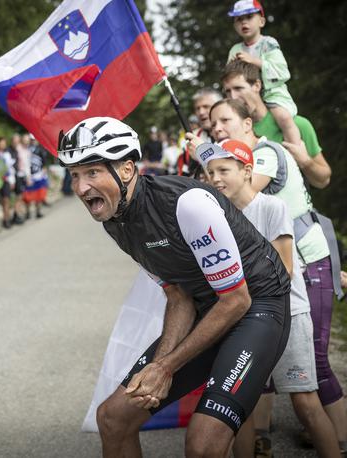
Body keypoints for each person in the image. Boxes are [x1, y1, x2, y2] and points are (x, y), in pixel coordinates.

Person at [58, 116, 291, 457]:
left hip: (257, 308)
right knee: (113, 419)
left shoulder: (187, 205)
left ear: (125, 170)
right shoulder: (116, 220)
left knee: (202, 444)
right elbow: (177, 294)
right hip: (209, 307)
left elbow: (236, 301)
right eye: (74, 175)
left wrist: (165, 367)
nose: (80, 188)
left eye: (92, 172)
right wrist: (159, 366)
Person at [205, 98, 347, 455]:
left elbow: (283, 270)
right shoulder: (218, 216)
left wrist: (234, 286)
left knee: (304, 401)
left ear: (247, 171)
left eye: (225, 170)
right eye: (211, 173)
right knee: (242, 407)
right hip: (248, 316)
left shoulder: (272, 207)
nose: (216, 179)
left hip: (288, 314)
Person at [222, 59, 332, 189]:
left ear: (257, 85)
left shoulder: (296, 124)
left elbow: (323, 180)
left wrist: (305, 161)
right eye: (228, 91)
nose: (233, 97)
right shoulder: (230, 133)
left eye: (238, 88)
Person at [226, 0, 301, 146]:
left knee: (283, 116)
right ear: (234, 25)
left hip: (272, 93)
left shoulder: (269, 43)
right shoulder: (235, 49)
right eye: (239, 20)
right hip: (245, 96)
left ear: (261, 21)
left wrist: (254, 61)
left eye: (248, 17)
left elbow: (282, 72)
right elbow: (229, 76)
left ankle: (295, 147)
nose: (244, 23)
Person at [178, 88, 223, 177]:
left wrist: (202, 155)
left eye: (206, 107)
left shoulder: (233, 133)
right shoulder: (192, 137)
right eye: (197, 108)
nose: (201, 112)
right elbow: (185, 174)